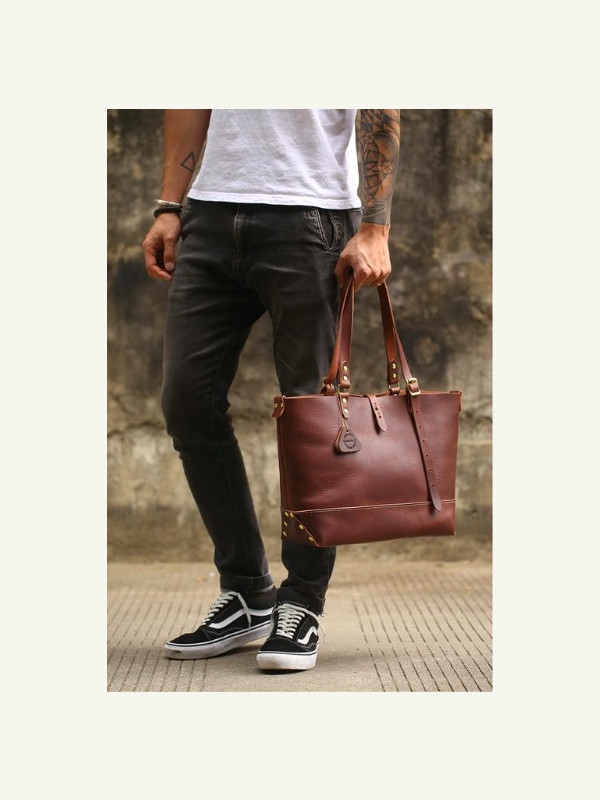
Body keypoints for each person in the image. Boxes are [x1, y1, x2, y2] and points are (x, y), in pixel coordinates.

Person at [142, 109, 401, 671]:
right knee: (187, 403)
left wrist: (375, 226)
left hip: (311, 217)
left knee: (313, 417)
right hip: (210, 213)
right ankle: (247, 595)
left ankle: (302, 601)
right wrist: (169, 205)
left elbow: (381, 105)